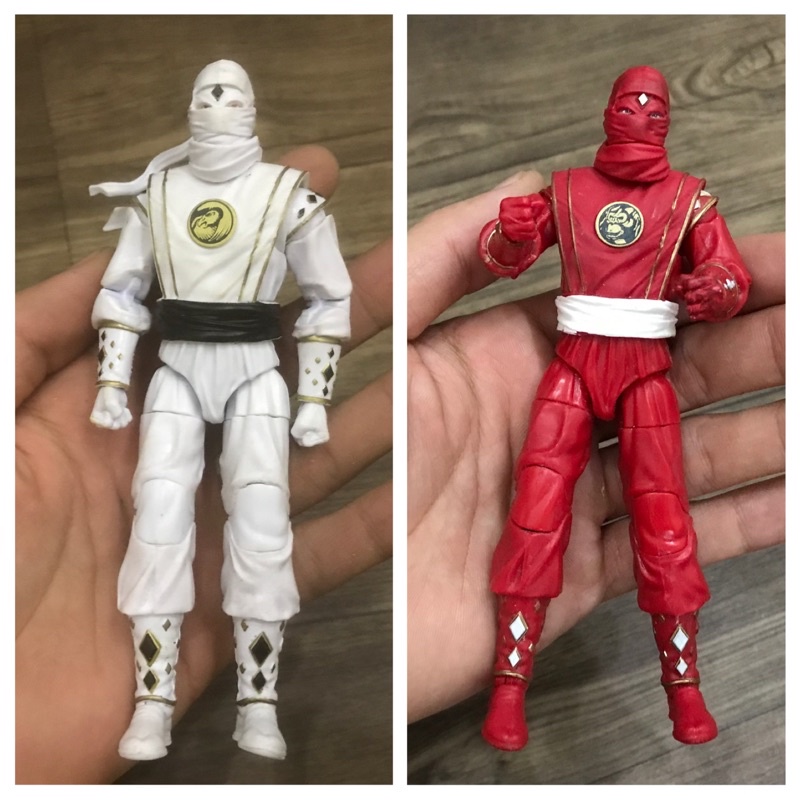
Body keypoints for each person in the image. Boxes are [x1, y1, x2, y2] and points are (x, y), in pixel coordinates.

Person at [16, 143, 392, 782]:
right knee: (157, 521)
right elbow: (121, 291)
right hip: (177, 367)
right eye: (208, 96)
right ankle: (152, 699)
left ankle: (259, 702)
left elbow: (330, 296)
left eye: (230, 96)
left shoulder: (287, 196)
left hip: (257, 369)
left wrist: (313, 397)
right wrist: (111, 382)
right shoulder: (159, 194)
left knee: (263, 526)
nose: (217, 101)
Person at [407, 170, 785, 735]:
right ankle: (509, 684)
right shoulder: (569, 190)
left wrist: (718, 289)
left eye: (650, 117)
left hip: (646, 369)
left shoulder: (688, 200)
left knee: (664, 522)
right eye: (629, 115)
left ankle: (684, 686)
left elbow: (727, 272)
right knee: (535, 510)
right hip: (574, 364)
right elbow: (508, 252)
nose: (638, 122)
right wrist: (512, 232)